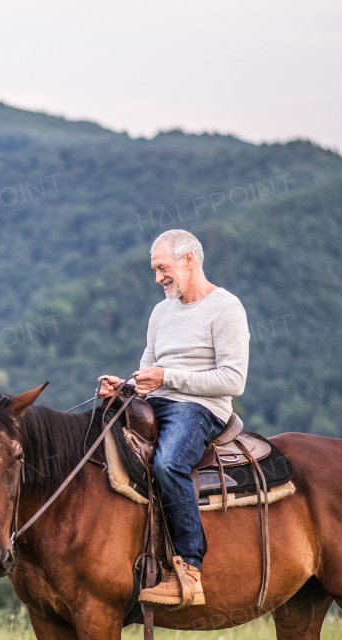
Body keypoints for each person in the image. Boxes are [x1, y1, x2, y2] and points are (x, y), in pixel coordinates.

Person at [97, 229, 249, 607]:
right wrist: (126, 386)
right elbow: (148, 368)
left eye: (162, 268)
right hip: (157, 401)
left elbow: (234, 380)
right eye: (154, 269)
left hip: (202, 408)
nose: (157, 278)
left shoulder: (226, 308)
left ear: (189, 260)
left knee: (168, 463)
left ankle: (189, 570)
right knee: (96, 444)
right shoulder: (161, 310)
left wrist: (167, 378)